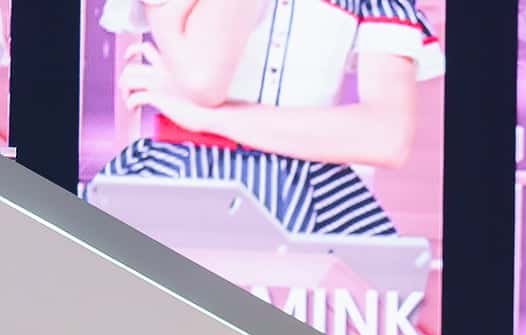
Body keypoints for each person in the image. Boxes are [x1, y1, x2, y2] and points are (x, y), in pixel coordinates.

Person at [95, 0, 443, 238]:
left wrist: (207, 118)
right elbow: (204, 80)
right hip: (180, 175)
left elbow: (386, 137)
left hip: (312, 194)